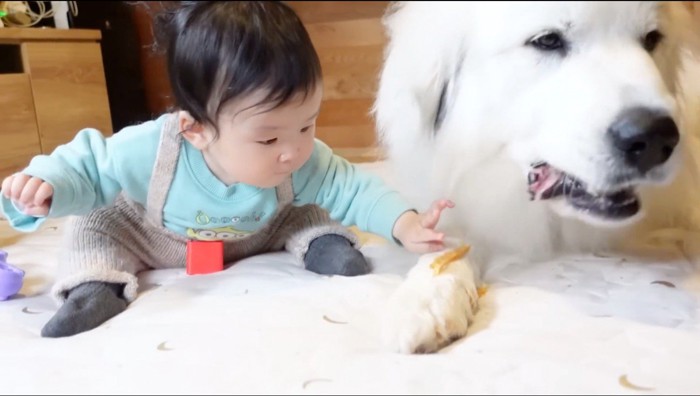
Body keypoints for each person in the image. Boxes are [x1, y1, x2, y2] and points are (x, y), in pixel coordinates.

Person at [0, 1, 454, 338]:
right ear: (195, 129)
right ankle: (94, 286)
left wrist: (404, 223)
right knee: (94, 223)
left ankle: (323, 244)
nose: (293, 149)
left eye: (307, 124)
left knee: (311, 204)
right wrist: (45, 186)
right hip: (153, 237)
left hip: (258, 229)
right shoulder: (150, 151)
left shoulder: (296, 160)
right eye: (269, 137)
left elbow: (353, 187)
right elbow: (85, 165)